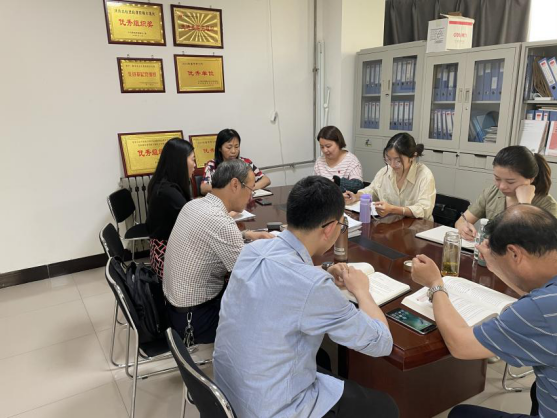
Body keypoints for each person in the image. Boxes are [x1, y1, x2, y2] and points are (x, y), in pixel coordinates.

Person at [213, 176, 399, 418]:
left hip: (227, 395)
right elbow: (381, 343)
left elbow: (283, 276)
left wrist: (324, 270)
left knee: (322, 358)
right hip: (271, 409)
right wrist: (362, 291)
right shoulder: (314, 287)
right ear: (330, 229)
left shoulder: (252, 250)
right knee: (386, 407)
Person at [412, 204, 557, 418]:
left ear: (514, 253)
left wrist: (435, 284)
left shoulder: (540, 309)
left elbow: (461, 345)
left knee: (460, 414)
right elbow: (536, 291)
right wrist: (497, 266)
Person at [163, 159, 274, 344]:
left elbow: (210, 237)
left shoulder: (194, 205)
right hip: (195, 320)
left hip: (173, 309)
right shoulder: (221, 222)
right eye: (250, 189)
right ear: (235, 184)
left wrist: (247, 234)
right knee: (264, 308)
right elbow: (250, 275)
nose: (251, 197)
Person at [456, 145, 557, 241]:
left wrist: (525, 205)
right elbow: (461, 221)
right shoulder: (493, 192)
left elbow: (543, 245)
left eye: (510, 182)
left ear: (531, 179)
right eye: (497, 179)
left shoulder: (548, 205)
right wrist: (463, 227)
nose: (502, 186)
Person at [344, 133, 436, 220]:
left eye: (398, 161)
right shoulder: (385, 172)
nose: (392, 165)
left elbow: (424, 210)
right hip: (392, 225)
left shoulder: (424, 175)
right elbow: (373, 191)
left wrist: (392, 209)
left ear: (413, 156)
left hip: (418, 227)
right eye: (388, 159)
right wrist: (356, 196)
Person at [146, 138, 195, 279]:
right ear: (180, 162)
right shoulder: (168, 192)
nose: (194, 165)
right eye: (193, 160)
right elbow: (195, 222)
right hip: (167, 259)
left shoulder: (164, 184)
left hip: (163, 251)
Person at [200, 128, 271, 195]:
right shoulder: (212, 165)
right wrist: (227, 190)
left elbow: (266, 180)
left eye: (237, 147)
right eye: (229, 147)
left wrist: (250, 188)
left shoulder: (245, 162)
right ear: (220, 148)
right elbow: (204, 188)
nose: (233, 151)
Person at [313, 125, 364, 192]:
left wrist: (337, 182)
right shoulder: (320, 161)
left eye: (328, 146)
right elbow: (314, 184)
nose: (325, 150)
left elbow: (358, 185)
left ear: (339, 143)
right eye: (322, 147)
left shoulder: (351, 161)